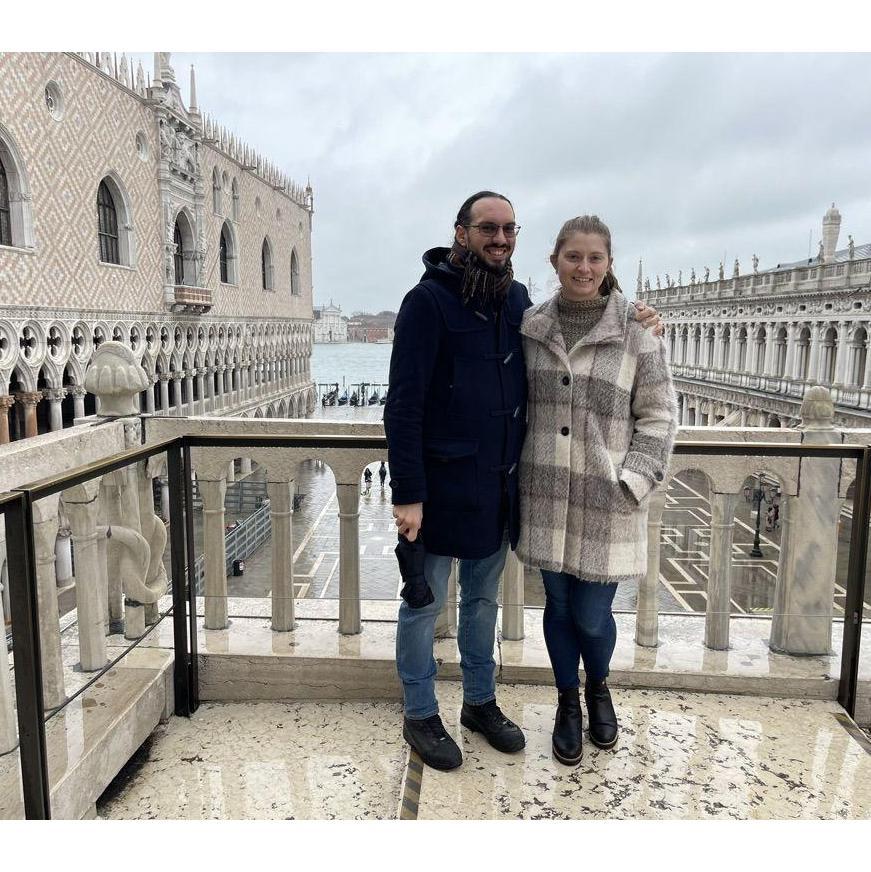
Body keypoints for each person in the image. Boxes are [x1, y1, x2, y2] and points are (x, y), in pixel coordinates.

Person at [384, 193, 663, 772]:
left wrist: (639, 315)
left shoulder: (516, 303)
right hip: (436, 491)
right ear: (461, 232)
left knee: (482, 601)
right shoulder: (426, 301)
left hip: (496, 490)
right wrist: (407, 492)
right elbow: (403, 405)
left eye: (510, 228)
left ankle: (480, 703)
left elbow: (583, 344)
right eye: (489, 227)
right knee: (423, 604)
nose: (501, 238)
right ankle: (419, 711)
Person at [516, 215, 677, 766]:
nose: (583, 268)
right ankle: (566, 701)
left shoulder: (637, 332)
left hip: (606, 501)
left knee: (590, 614)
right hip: (545, 496)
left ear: (608, 264)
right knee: (557, 609)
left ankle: (598, 687)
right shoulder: (531, 326)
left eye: (595, 258)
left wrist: (631, 482)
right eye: (573, 257)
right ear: (554, 260)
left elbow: (658, 417)